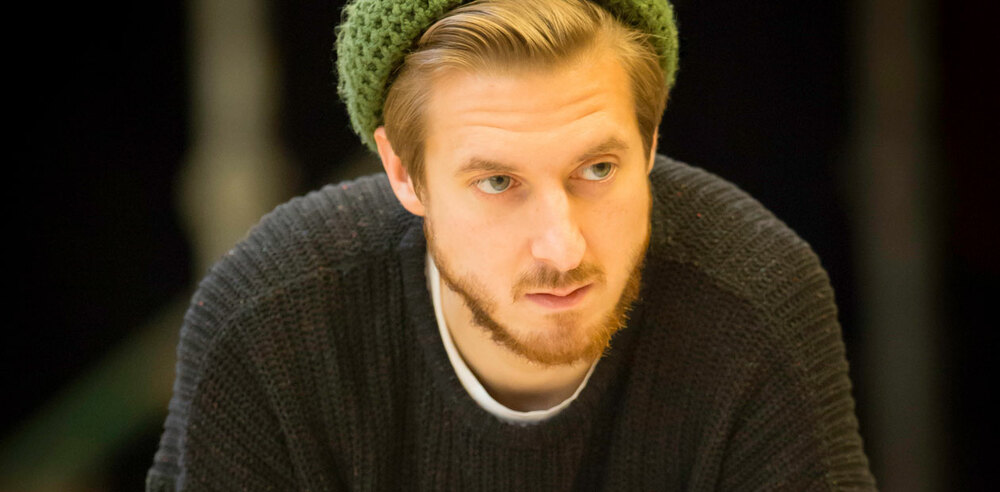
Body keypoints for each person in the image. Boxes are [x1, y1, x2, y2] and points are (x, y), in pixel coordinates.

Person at [147, 0, 876, 489]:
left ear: (652, 142)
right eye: (498, 182)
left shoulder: (755, 301)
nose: (561, 247)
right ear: (403, 174)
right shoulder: (273, 321)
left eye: (598, 169)